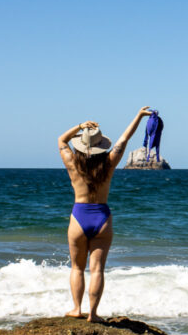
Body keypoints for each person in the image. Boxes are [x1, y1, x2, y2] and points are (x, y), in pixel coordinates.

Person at [58, 107, 152, 320]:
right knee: (98, 269)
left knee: (77, 268)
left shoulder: (73, 165)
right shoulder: (108, 164)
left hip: (79, 217)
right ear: (101, 147)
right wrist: (138, 115)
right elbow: (125, 139)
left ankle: (76, 309)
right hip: (102, 217)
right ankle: (93, 313)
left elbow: (62, 140)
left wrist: (81, 127)